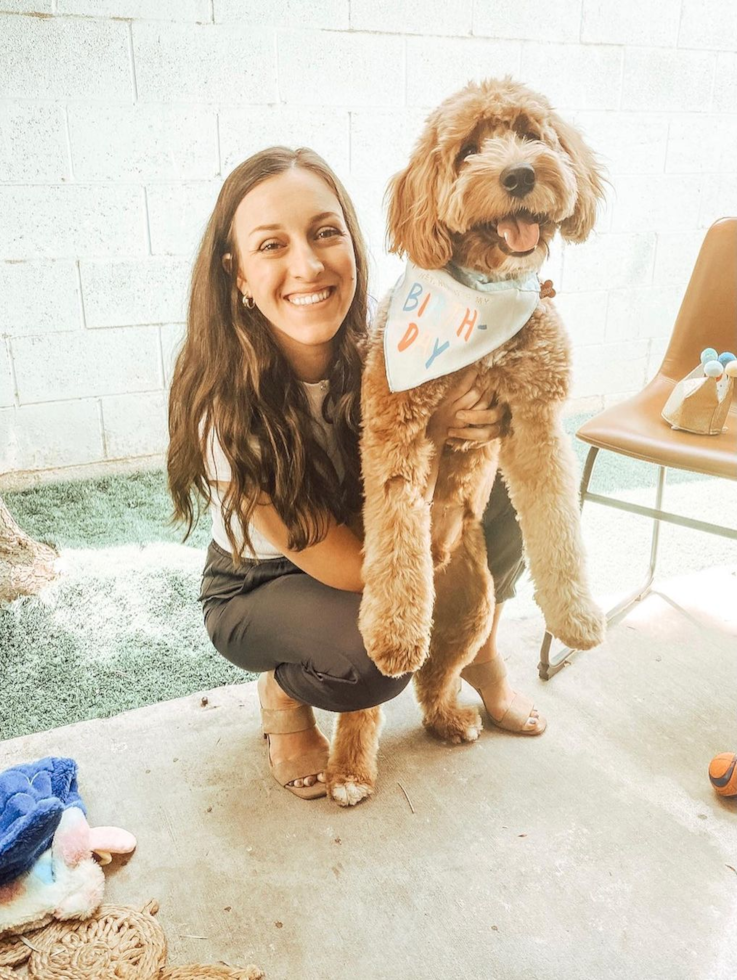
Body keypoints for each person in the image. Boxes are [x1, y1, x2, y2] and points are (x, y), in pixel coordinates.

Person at [167, 146, 545, 802]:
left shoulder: (384, 337)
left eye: (324, 233)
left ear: (353, 243)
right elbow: (351, 569)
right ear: (237, 276)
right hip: (262, 584)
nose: (308, 265)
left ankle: (479, 653)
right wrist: (431, 432)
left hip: (368, 526)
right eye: (271, 246)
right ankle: (283, 694)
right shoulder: (222, 410)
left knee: (495, 490)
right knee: (373, 654)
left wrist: (508, 315)